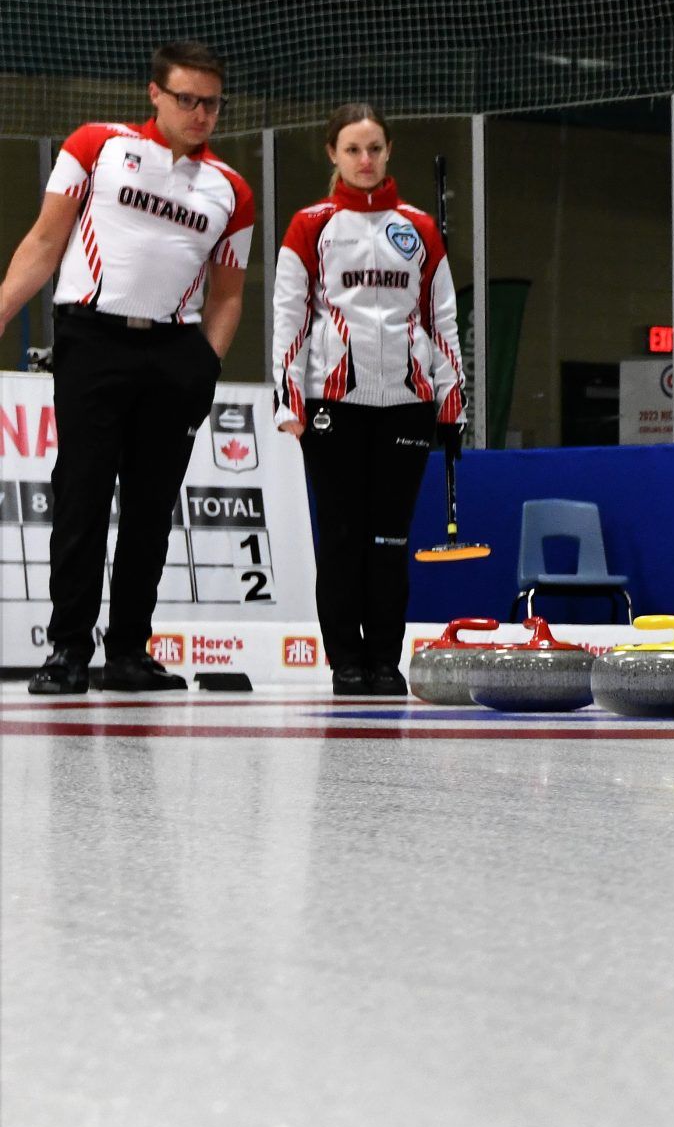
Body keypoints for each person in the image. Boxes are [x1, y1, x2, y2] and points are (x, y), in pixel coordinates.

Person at [0, 42, 252, 693]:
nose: (200, 114)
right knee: (83, 494)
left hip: (175, 355)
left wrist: (205, 360)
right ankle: (66, 653)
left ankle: (130, 654)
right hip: (92, 339)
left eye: (212, 103)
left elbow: (227, 293)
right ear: (155, 94)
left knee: (150, 507)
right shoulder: (96, 146)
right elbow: (44, 241)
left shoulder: (232, 190)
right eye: (187, 100)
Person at [273, 105, 465, 695]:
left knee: (390, 538)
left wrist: (454, 402)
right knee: (340, 536)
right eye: (353, 149)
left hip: (408, 402)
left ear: (388, 152)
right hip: (334, 403)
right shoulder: (311, 224)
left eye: (375, 149)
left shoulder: (420, 228)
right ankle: (345, 662)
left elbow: (443, 318)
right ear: (332, 153)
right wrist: (289, 403)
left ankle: (384, 659)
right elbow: (289, 315)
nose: (365, 160)